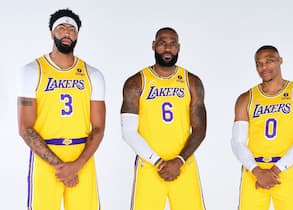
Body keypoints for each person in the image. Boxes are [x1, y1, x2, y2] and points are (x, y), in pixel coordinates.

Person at [17, 9, 105, 210]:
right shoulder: (32, 71)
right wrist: (60, 166)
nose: (67, 33)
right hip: (45, 158)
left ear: (77, 35)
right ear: (51, 33)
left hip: (81, 156)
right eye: (61, 28)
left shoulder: (93, 74)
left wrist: (77, 165)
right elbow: (25, 128)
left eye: (72, 29)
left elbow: (99, 127)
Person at [120, 27, 207, 210]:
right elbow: (128, 132)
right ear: (153, 45)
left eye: (172, 44)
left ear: (179, 47)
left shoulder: (191, 81)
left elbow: (200, 129)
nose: (168, 48)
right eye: (162, 43)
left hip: (184, 163)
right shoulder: (136, 82)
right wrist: (158, 162)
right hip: (150, 165)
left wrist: (179, 161)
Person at [231, 45, 293, 210]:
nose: (264, 67)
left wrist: (275, 170)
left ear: (280, 61)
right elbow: (237, 142)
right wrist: (257, 171)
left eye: (269, 61)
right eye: (259, 63)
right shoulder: (245, 98)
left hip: (285, 169)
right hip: (253, 170)